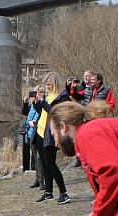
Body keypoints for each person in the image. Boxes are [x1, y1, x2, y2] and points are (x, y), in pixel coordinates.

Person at [33, 72, 71, 204]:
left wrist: (43, 103)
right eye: (46, 85)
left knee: (51, 164)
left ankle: (64, 193)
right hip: (41, 131)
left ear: (55, 83)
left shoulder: (63, 96)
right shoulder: (49, 96)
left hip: (51, 134)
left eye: (49, 85)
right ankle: (48, 192)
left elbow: (56, 113)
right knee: (44, 164)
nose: (47, 87)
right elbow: (42, 111)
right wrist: (36, 103)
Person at [26, 87, 44, 188]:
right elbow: (26, 115)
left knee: (39, 158)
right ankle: (37, 179)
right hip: (31, 133)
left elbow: (42, 116)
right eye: (35, 93)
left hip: (39, 133)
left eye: (39, 92)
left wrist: (35, 123)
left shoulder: (43, 103)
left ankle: (41, 181)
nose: (36, 95)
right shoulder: (32, 105)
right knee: (36, 158)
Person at [20, 91, 38, 172]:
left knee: (34, 151)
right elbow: (24, 112)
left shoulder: (39, 105)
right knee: (26, 151)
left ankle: (33, 168)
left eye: (34, 95)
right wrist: (25, 103)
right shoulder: (31, 105)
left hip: (34, 131)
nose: (32, 97)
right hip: (27, 131)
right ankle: (26, 169)